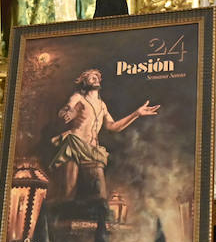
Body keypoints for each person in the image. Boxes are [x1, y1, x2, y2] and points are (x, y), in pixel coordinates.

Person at [49, 68, 159, 202]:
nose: (95, 78)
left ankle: (98, 219)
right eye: (91, 77)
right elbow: (67, 108)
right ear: (84, 82)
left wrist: (136, 114)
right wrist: (68, 111)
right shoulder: (78, 97)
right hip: (74, 145)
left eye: (96, 77)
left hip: (93, 150)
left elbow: (113, 126)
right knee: (68, 191)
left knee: (100, 194)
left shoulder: (102, 105)